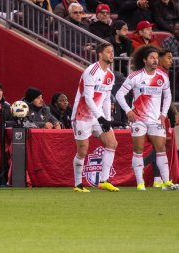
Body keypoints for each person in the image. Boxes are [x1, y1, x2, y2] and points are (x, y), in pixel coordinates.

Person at [115, 45, 178, 191]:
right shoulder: (135, 76)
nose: (155, 60)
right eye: (152, 58)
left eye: (156, 58)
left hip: (156, 119)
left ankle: (166, 182)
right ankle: (140, 183)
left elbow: (168, 96)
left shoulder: (162, 77)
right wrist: (129, 111)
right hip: (139, 119)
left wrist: (163, 114)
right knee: (138, 149)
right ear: (144, 60)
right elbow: (119, 95)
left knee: (161, 148)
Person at [71, 42, 119, 193]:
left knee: (112, 143)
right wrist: (101, 118)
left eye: (112, 51)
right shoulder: (91, 72)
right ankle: (78, 184)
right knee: (83, 151)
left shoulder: (110, 75)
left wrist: (108, 119)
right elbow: (89, 99)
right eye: (108, 52)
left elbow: (106, 99)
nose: (112, 54)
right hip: (82, 115)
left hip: (98, 116)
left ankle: (104, 181)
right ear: (100, 54)